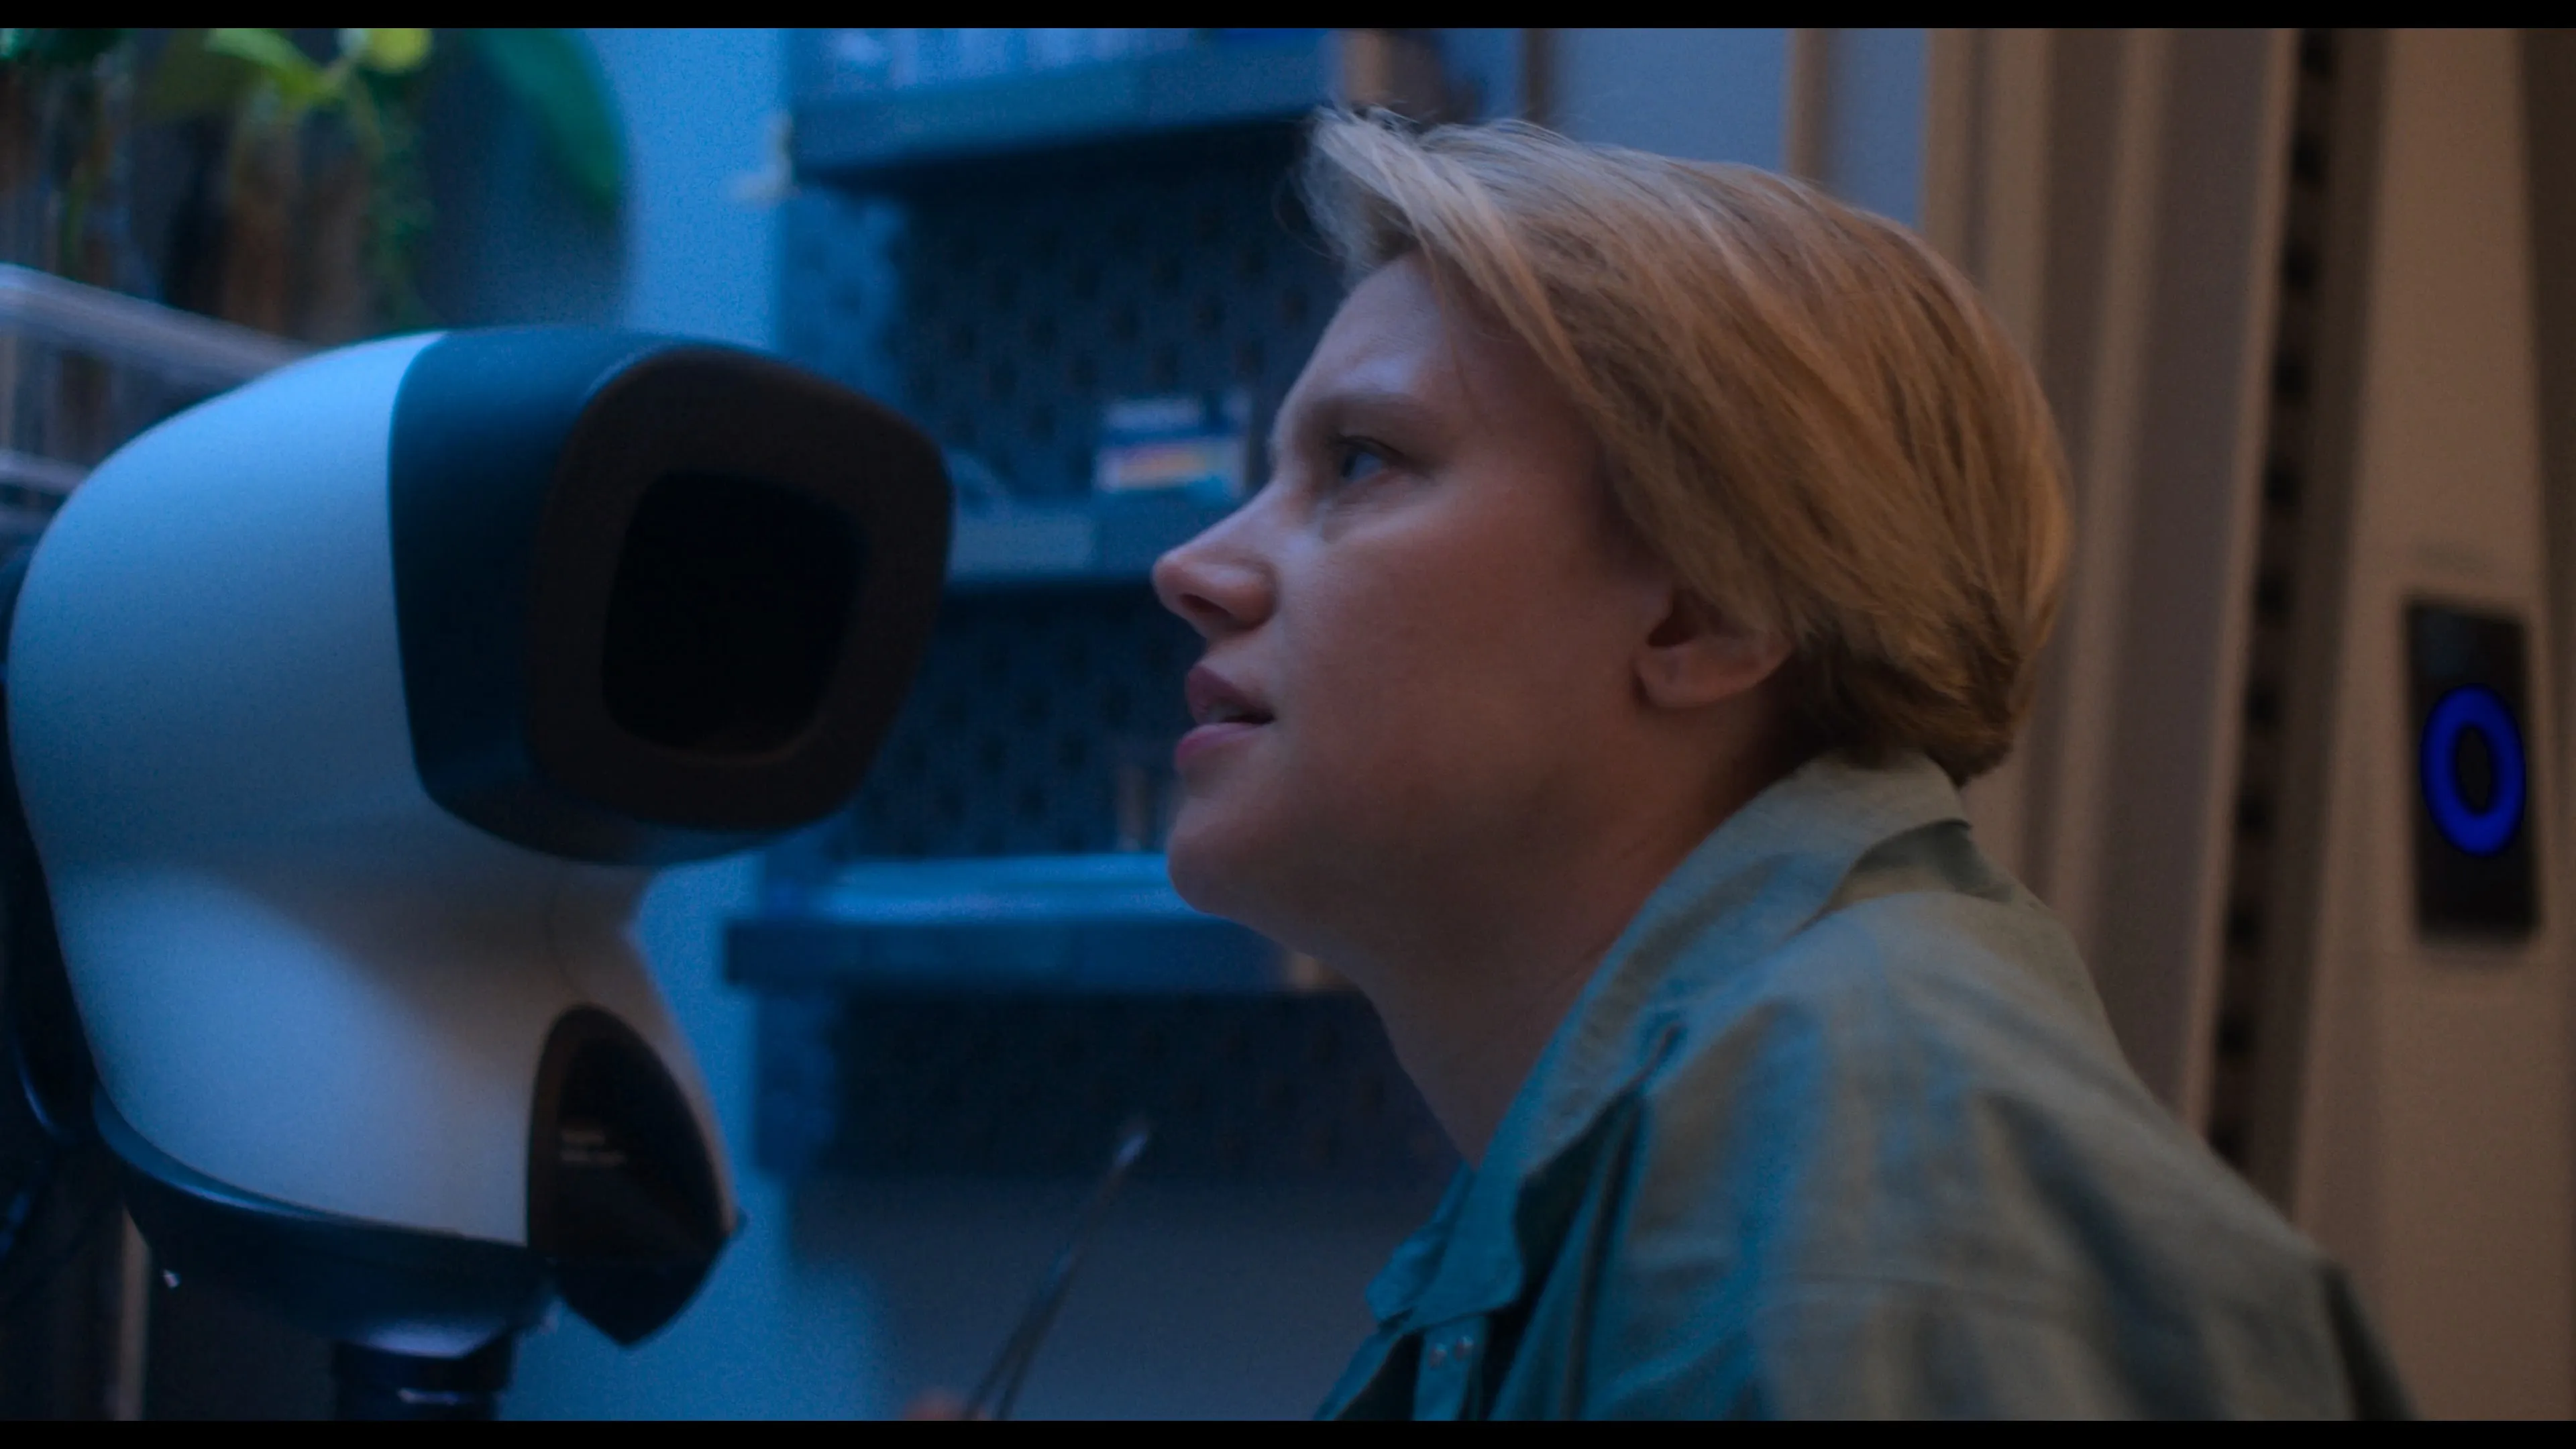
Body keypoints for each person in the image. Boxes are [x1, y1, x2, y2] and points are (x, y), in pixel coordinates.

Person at [1146, 111, 2410, 1419]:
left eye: (1361, 462)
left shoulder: (1886, 1203)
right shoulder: (1751, 1158)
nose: (1193, 568)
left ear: (1706, 612)